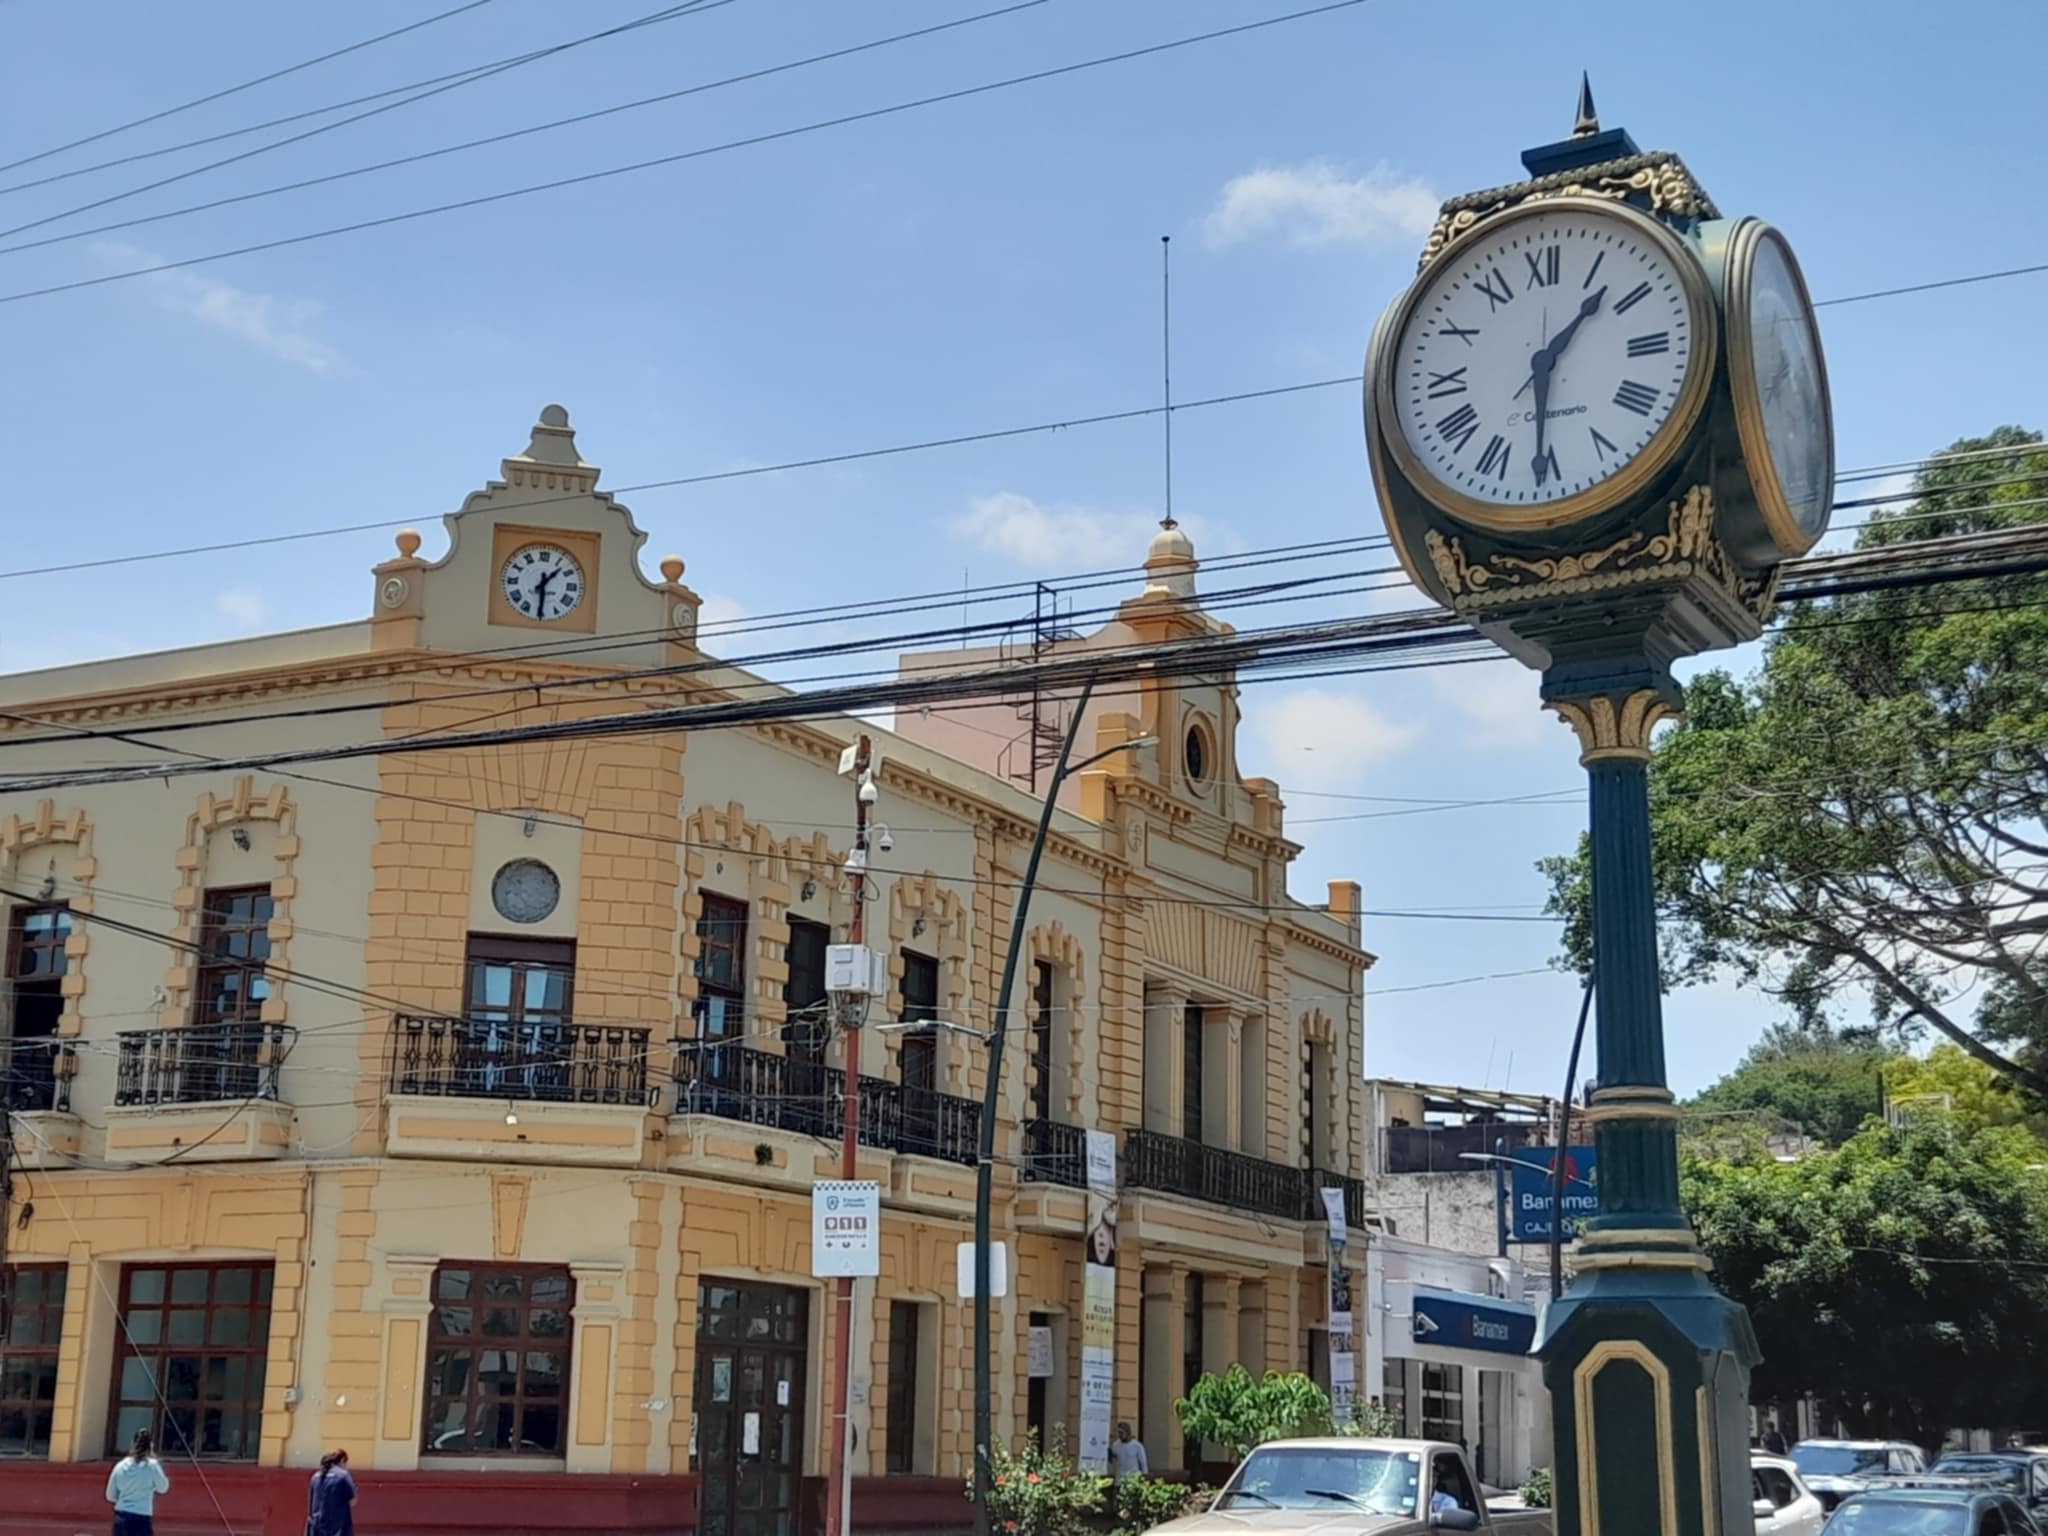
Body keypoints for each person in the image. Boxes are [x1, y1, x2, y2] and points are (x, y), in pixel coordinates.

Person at [106, 1427, 170, 1536]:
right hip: (141, 1519)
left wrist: (126, 1497)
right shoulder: (152, 1466)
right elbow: (163, 1488)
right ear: (151, 1445)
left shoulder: (120, 1466)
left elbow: (110, 1496)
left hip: (121, 1519)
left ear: (132, 1444)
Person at [307, 1448, 357, 1536]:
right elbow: (352, 1501)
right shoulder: (343, 1475)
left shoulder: (315, 1476)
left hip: (316, 1526)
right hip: (337, 1528)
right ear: (342, 1460)